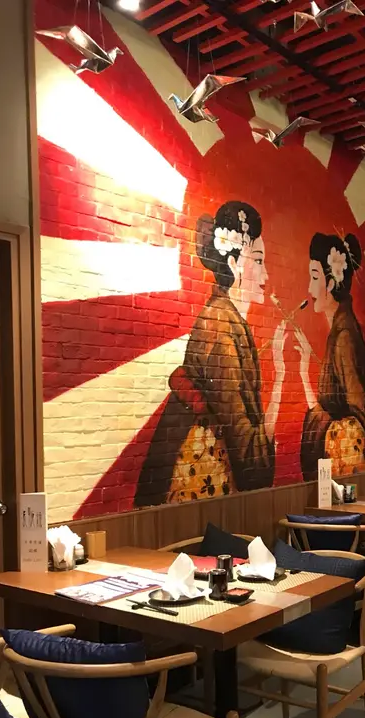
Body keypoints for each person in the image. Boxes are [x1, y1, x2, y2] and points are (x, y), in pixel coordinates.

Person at [135, 201, 286, 506]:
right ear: (233, 264)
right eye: (258, 261)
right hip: (196, 491)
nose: (266, 274)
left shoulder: (225, 320)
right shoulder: (220, 329)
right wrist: (281, 374)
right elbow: (247, 452)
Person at [296, 231, 365, 481]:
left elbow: (357, 427)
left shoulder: (345, 336)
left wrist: (305, 377)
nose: (309, 288)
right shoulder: (340, 331)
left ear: (331, 283)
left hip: (357, 483)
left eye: (314, 277)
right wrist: (305, 370)